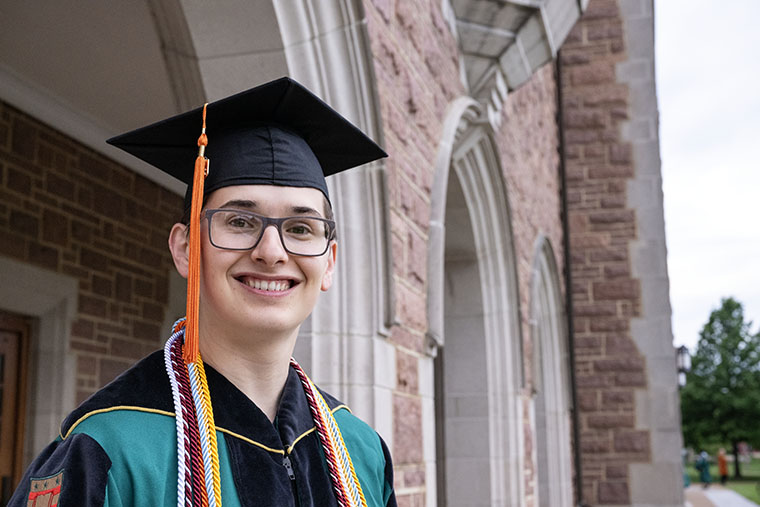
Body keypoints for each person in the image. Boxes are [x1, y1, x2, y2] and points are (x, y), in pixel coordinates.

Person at [10, 77, 396, 506]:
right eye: (240, 222)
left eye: (301, 228)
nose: (271, 252)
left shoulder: (361, 451)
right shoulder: (108, 449)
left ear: (328, 262)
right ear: (185, 249)